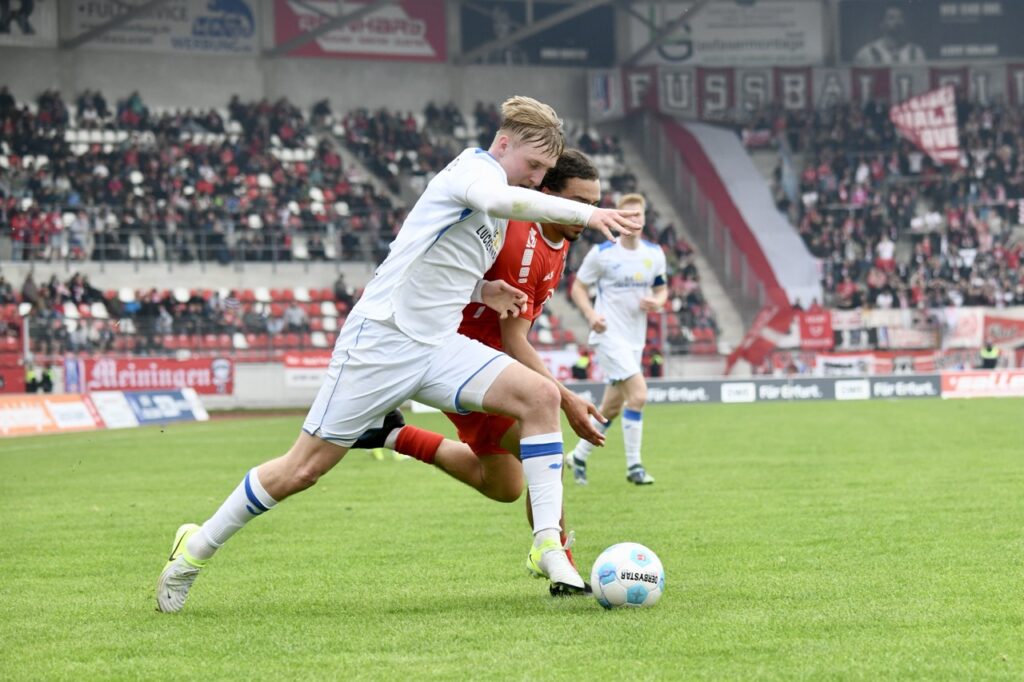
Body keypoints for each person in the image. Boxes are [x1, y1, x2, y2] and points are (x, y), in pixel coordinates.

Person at [155, 95, 642, 613]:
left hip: (437, 345)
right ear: (503, 144)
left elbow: (430, 262)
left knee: (540, 396)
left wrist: (483, 291)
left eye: (546, 170)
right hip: (381, 342)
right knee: (301, 471)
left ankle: (549, 544)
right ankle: (195, 548)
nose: (537, 178)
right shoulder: (473, 172)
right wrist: (589, 213)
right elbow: (499, 202)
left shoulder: (503, 198)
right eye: (534, 166)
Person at [377, 149, 607, 588]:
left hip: (489, 365)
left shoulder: (557, 247)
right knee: (544, 449)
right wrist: (569, 399)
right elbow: (512, 339)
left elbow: (514, 332)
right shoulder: (517, 235)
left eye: (593, 205)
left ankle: (392, 434)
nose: (587, 215)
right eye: (578, 203)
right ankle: (560, 560)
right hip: (458, 362)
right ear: (547, 195)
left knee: (503, 485)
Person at [567, 193, 668, 486]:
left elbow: (662, 289)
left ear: (645, 218)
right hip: (608, 334)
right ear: (619, 218)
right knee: (638, 395)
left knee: (611, 407)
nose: (634, 221)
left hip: (635, 338)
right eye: (629, 216)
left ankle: (578, 457)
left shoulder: (654, 254)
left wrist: (658, 301)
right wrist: (590, 315)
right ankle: (634, 466)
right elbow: (578, 288)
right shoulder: (603, 253)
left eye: (639, 215)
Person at [853, 5, 926, 66]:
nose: (897, 22)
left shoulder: (915, 52)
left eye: (900, 17)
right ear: (881, 24)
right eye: (891, 18)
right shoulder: (867, 53)